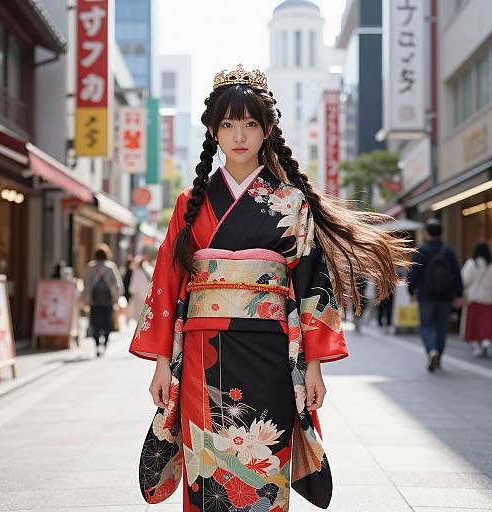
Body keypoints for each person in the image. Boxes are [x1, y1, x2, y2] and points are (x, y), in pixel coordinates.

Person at [129, 64, 411, 511]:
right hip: (205, 354)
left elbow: (311, 286)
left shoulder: (292, 203)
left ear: (267, 130)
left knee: (263, 461)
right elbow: (165, 285)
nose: (239, 134)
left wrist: (314, 365)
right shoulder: (190, 203)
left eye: (250, 123)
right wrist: (162, 364)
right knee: (209, 470)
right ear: (213, 132)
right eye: (227, 124)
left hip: (271, 354)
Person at [407, 218, 463, 372]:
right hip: (446, 296)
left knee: (425, 326)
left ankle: (431, 351)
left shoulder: (422, 251)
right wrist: (459, 294)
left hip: (426, 296)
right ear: (442, 233)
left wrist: (411, 292)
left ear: (426, 233)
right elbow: (457, 274)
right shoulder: (449, 251)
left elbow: (413, 274)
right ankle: (438, 355)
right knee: (442, 327)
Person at [83, 243, 123, 357]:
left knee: (95, 323)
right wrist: (116, 299)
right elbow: (117, 284)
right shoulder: (110, 267)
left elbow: (87, 284)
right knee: (107, 323)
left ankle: (96, 345)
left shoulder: (91, 266)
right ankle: (105, 344)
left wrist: (86, 299)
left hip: (94, 300)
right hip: (108, 300)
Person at [461, 242, 492, 357]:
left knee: (474, 324)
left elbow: (464, 280)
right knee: (487, 323)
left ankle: (478, 346)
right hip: (489, 298)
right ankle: (486, 341)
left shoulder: (471, 264)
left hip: (474, 298)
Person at [128, 245, 157, 322]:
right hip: (147, 294)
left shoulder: (138, 270)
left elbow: (134, 282)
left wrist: (132, 291)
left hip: (139, 294)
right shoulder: (150, 269)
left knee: (138, 314)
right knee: (144, 314)